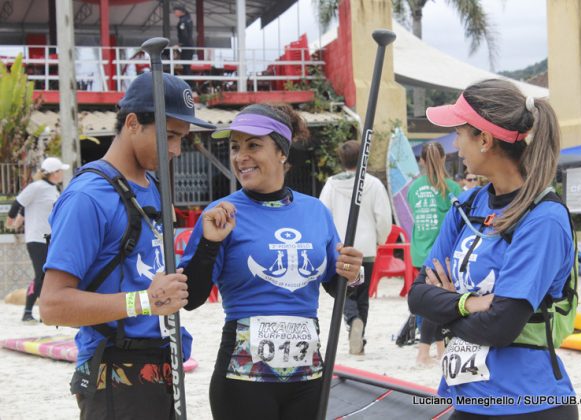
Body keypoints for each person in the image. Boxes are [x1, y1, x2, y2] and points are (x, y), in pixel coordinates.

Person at [39, 72, 215, 420]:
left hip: (162, 367)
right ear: (133, 123)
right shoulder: (87, 197)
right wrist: (145, 302)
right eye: (170, 136)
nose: (176, 150)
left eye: (182, 139)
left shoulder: (150, 185)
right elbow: (52, 305)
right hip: (114, 375)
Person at [178, 103, 363, 420]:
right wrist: (210, 243)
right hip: (244, 379)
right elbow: (191, 299)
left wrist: (354, 275)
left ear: (282, 153)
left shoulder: (315, 211)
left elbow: (338, 287)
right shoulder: (221, 214)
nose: (240, 156)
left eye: (253, 145)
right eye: (235, 147)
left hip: (309, 378)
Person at [408, 79, 578, 418]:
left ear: (484, 139)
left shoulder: (544, 218)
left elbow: (501, 327)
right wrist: (468, 303)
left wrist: (446, 313)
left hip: (529, 404)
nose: (455, 147)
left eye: (459, 134)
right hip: (469, 399)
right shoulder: (469, 204)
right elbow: (417, 295)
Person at [319, 140, 392, 355]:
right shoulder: (373, 184)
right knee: (362, 296)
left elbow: (323, 215)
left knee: (345, 294)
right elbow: (384, 218)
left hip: (341, 249)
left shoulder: (331, 184)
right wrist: (380, 239)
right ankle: (359, 337)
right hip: (367, 248)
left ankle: (353, 320)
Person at [407, 142, 461, 365]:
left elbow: (413, 213)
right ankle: (425, 351)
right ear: (444, 158)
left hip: (420, 249)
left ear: (421, 161)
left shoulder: (413, 188)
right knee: (440, 302)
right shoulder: (452, 188)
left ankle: (438, 349)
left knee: (425, 300)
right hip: (443, 252)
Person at [6, 157, 70, 323]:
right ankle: (27, 312)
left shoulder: (54, 190)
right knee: (41, 276)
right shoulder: (37, 187)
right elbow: (19, 202)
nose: (62, 174)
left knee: (50, 275)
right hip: (36, 238)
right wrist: (12, 219)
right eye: (60, 171)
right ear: (53, 173)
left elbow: (33, 208)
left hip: (50, 239)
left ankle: (45, 313)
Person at [173, 5, 194, 79]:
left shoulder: (183, 21)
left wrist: (180, 44)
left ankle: (191, 86)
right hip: (188, 45)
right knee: (186, 66)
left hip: (186, 46)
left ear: (181, 12)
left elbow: (184, 35)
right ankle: (191, 85)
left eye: (176, 11)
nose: (174, 13)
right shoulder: (188, 19)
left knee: (186, 66)